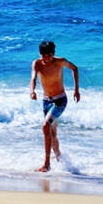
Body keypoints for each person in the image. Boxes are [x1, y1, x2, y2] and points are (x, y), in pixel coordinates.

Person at [29, 40, 80, 173]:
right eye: (43, 55)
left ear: (53, 54)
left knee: (45, 126)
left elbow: (75, 69)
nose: (46, 59)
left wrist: (76, 90)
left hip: (60, 100)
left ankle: (47, 164)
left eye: (49, 55)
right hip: (46, 101)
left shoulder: (60, 62)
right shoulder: (37, 64)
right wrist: (32, 91)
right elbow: (33, 78)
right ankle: (60, 159)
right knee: (52, 132)